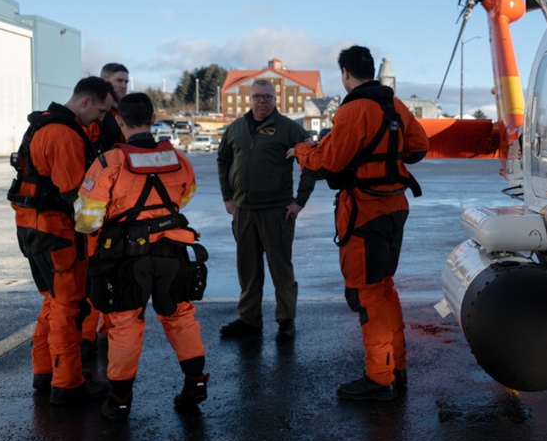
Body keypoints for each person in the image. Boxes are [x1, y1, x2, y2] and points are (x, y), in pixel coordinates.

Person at [289, 46, 428, 401]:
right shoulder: (395, 106)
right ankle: (396, 367)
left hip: (365, 212)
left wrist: (303, 151)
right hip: (395, 206)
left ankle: (380, 378)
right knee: (384, 289)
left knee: (368, 295)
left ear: (346, 74)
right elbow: (419, 147)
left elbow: (328, 164)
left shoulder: (353, 110)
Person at [74, 92, 209, 419]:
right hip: (173, 249)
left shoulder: (108, 161)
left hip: (125, 257)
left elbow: (86, 220)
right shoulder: (179, 157)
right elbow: (185, 196)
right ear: (152, 118)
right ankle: (196, 383)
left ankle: (119, 400)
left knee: (124, 324)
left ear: (119, 121)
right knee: (180, 316)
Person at [8, 76, 116, 404]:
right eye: (100, 111)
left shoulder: (41, 125)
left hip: (30, 225)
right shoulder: (65, 135)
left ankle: (44, 371)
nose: (100, 119)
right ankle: (67, 383)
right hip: (56, 232)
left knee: (52, 301)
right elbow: (76, 196)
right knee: (68, 305)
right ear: (85, 102)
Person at [217, 79, 314, 342]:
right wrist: (228, 197)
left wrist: (299, 201)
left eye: (268, 97)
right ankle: (249, 319)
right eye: (257, 96)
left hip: (277, 212)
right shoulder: (236, 128)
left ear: (275, 99)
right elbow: (223, 159)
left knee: (280, 269)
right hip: (244, 211)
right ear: (249, 99)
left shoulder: (288, 129)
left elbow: (312, 162)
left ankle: (286, 320)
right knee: (248, 269)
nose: (262, 101)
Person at [81, 62, 130, 355]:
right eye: (118, 81)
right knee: (94, 272)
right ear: (103, 82)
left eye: (126, 81)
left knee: (114, 271)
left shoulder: (119, 115)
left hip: (116, 206)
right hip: (99, 204)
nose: (123, 85)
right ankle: (87, 336)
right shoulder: (98, 119)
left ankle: (105, 331)